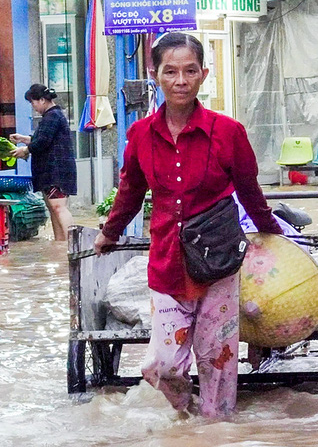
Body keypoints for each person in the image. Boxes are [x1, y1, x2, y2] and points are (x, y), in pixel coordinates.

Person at [93, 32, 283, 418]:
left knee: (218, 363)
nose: (181, 80)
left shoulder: (228, 132)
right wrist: (109, 233)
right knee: (160, 366)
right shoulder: (140, 135)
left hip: (218, 265)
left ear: (203, 75)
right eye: (171, 71)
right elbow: (129, 191)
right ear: (155, 75)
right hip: (167, 264)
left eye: (190, 71)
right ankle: (188, 410)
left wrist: (270, 233)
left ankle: (213, 433)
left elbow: (249, 190)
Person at [9, 84, 76, 241]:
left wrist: (25, 150)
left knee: (59, 207)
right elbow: (43, 139)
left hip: (57, 172)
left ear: (42, 100)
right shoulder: (52, 116)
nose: (33, 107)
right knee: (54, 208)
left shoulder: (53, 116)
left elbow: (43, 141)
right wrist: (23, 139)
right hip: (51, 172)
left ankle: (74, 243)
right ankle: (61, 244)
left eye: (33, 103)